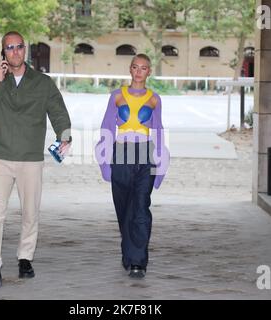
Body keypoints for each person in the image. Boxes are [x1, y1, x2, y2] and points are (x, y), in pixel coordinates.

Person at [0, 31, 72, 288]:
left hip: (30, 158)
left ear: (25, 49)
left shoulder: (43, 82)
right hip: (0, 156)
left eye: (19, 47)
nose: (15, 52)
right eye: (10, 47)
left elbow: (59, 112)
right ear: (3, 52)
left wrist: (65, 136)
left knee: (30, 212)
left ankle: (25, 257)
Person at [95, 54, 169, 279]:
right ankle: (129, 253)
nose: (139, 72)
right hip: (121, 154)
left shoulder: (154, 99)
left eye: (144, 68)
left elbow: (158, 131)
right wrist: (105, 163)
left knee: (140, 208)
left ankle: (138, 261)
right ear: (130, 70)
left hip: (145, 155)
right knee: (124, 208)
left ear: (149, 72)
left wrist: (160, 167)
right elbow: (107, 127)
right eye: (135, 67)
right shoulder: (117, 96)